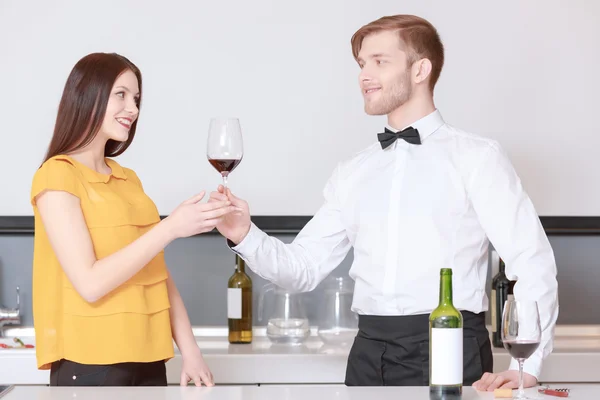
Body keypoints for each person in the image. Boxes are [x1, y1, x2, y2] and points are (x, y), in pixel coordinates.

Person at [209, 15, 559, 390]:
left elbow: (531, 259)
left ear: (420, 69)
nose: (364, 75)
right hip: (367, 354)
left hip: (450, 345)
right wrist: (244, 234)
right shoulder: (351, 172)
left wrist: (530, 363)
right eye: (362, 64)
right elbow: (302, 269)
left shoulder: (478, 157)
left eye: (380, 61)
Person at [30, 52, 234, 386]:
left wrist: (191, 350)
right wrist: (170, 228)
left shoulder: (129, 180)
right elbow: (90, 283)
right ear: (88, 96)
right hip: (91, 362)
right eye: (121, 95)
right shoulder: (56, 176)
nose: (134, 109)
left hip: (149, 357)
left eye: (136, 98)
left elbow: (157, 273)